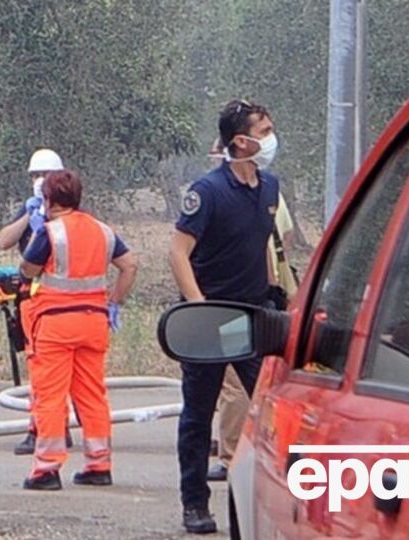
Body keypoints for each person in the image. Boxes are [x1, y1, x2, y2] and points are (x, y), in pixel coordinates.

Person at [168, 99, 280, 534]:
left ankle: (276, 499)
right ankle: (195, 504)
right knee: (198, 417)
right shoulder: (208, 191)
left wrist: (276, 297)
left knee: (271, 412)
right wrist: (199, 307)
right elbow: (178, 253)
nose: (271, 138)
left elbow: (266, 246)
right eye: (264, 130)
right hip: (209, 318)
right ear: (241, 141)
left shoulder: (270, 187)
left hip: (253, 318)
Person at [18, 170, 137, 490]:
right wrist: (114, 302)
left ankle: (46, 469)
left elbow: (27, 269)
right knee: (92, 394)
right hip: (94, 323)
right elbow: (130, 265)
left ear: (48, 200)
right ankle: (99, 464)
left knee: (50, 396)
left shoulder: (50, 232)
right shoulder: (103, 231)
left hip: (56, 324)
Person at [209, 189, 294, 483]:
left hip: (241, 305)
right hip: (272, 303)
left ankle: (232, 456)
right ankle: (272, 451)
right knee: (269, 379)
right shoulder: (273, 196)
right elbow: (287, 239)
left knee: (235, 383)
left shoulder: (228, 202)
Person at [0, 148, 72, 455]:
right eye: (35, 176)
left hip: (61, 301)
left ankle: (52, 427)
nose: (40, 181)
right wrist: (31, 215)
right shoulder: (30, 212)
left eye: (46, 175)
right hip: (33, 301)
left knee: (58, 373)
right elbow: (4, 241)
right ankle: (40, 426)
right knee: (39, 371)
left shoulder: (71, 213)